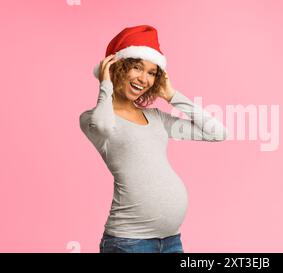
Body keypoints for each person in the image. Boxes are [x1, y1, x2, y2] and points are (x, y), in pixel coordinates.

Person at [79, 25, 228, 253]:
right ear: (117, 68)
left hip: (170, 240)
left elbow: (217, 133)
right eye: (137, 67)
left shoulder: (155, 117)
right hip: (129, 242)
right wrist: (105, 83)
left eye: (152, 73)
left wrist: (172, 95)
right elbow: (104, 126)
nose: (144, 79)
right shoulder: (92, 118)